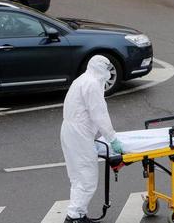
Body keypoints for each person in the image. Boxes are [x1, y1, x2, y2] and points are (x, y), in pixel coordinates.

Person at [60, 55, 124, 223]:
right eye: (106, 69)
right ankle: (74, 216)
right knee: (87, 177)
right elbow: (99, 115)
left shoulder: (82, 80)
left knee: (77, 177)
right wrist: (113, 139)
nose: (108, 74)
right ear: (101, 69)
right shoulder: (92, 84)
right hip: (79, 134)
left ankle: (78, 214)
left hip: (70, 131)